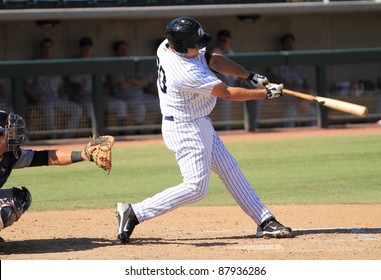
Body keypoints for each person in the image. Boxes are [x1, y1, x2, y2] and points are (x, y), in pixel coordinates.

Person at [116, 17, 292, 244]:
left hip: (198, 121)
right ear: (180, 45)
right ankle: (135, 212)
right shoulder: (185, 72)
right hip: (185, 127)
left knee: (230, 169)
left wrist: (249, 76)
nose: (199, 48)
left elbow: (212, 60)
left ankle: (264, 220)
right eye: (195, 45)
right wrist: (267, 94)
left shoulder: (167, 45)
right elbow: (227, 93)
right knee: (196, 188)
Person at [0, 110, 101, 240]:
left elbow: (47, 157)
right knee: (5, 213)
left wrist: (83, 155)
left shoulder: (11, 155)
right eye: (7, 132)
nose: (13, 135)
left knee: (20, 199)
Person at [24, 38, 82, 138]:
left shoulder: (56, 63)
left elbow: (60, 84)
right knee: (48, 108)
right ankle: (52, 138)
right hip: (42, 100)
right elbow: (26, 85)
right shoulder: (35, 64)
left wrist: (63, 94)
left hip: (56, 98)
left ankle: (66, 138)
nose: (48, 49)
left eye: (50, 47)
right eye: (45, 47)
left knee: (77, 109)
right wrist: (35, 96)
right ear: (41, 49)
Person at [68, 37, 127, 131]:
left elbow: (103, 84)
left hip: (98, 98)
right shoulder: (75, 64)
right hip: (84, 99)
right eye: (85, 47)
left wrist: (103, 97)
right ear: (81, 48)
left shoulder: (96, 62)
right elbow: (75, 88)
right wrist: (93, 96)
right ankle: (94, 136)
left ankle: (120, 134)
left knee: (120, 105)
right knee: (91, 108)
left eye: (89, 47)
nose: (87, 49)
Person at [267, 33, 316, 127]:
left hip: (300, 92)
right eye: (287, 42)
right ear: (282, 44)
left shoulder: (296, 58)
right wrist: (289, 85)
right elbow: (273, 77)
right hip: (286, 91)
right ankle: (290, 127)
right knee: (292, 105)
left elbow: (304, 80)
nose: (290, 45)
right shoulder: (276, 58)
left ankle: (313, 123)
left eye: (291, 42)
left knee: (312, 95)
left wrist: (307, 89)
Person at [107, 40, 159, 128]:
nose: (124, 51)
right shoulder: (114, 65)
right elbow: (122, 85)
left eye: (125, 49)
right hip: (125, 97)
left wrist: (130, 81)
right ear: (116, 52)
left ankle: (157, 130)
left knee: (160, 103)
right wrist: (137, 81)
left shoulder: (133, 62)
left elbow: (145, 82)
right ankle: (137, 132)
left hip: (141, 96)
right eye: (121, 49)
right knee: (140, 108)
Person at [211, 29, 240, 130]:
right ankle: (226, 129)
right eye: (222, 40)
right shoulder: (214, 54)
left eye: (226, 40)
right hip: (218, 88)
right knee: (225, 101)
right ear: (218, 41)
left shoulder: (232, 53)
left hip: (232, 86)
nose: (224, 43)